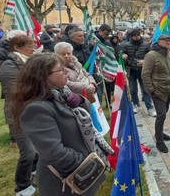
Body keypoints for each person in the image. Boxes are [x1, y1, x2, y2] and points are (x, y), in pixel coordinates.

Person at [11, 53, 112, 196]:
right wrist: (85, 164)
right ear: (44, 77)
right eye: (60, 69)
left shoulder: (62, 94)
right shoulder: (37, 109)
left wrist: (79, 100)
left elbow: (85, 111)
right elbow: (53, 152)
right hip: (65, 181)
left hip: (80, 174)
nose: (66, 72)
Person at [0, 35, 37, 195]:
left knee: (38, 148)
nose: (33, 48)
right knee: (28, 152)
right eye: (29, 45)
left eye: (33, 45)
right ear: (17, 47)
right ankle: (22, 186)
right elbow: (17, 91)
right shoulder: (9, 65)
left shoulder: (28, 63)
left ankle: (34, 172)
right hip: (18, 114)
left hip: (34, 111)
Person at [141, 34, 170, 153]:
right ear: (159, 41)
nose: (168, 43)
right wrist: (151, 90)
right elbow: (145, 74)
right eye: (166, 41)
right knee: (161, 114)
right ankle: (159, 140)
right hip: (158, 91)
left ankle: (159, 131)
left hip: (169, 90)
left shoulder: (169, 54)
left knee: (164, 113)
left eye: (169, 41)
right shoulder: (151, 55)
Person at [120, 29, 155, 116]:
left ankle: (149, 108)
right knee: (133, 90)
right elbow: (122, 55)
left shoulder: (146, 45)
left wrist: (144, 61)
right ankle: (136, 105)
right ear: (131, 36)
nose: (137, 37)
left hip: (143, 70)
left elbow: (151, 57)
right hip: (132, 70)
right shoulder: (126, 45)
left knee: (145, 90)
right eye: (134, 35)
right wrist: (123, 56)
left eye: (138, 35)